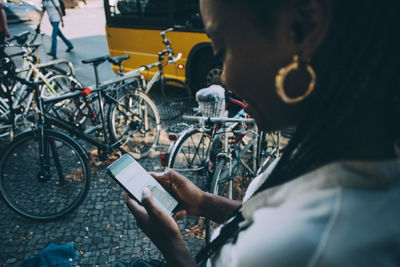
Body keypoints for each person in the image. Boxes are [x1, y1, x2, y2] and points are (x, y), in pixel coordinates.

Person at [124, 0, 400, 266]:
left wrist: (171, 244)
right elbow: (277, 216)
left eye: (222, 52)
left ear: (303, 29)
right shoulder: (351, 150)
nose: (225, 80)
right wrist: (204, 202)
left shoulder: (310, 246)